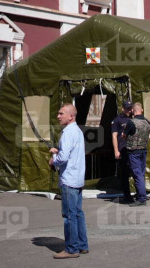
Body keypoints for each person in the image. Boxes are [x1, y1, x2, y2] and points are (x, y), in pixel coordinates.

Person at [49, 104, 88, 259]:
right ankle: (82, 245)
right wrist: (59, 152)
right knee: (78, 213)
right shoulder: (77, 131)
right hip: (77, 178)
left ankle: (72, 249)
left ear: (71, 116)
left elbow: (63, 158)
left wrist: (53, 160)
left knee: (69, 215)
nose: (58, 116)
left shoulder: (67, 133)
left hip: (69, 179)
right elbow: (70, 153)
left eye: (61, 113)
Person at [125, 103, 150, 206]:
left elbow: (124, 135)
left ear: (133, 110)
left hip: (134, 151)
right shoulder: (147, 122)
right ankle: (141, 195)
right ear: (142, 110)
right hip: (144, 150)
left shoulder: (131, 122)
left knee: (137, 174)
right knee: (141, 173)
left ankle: (141, 198)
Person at [111, 100, 133, 203]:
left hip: (133, 149)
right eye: (127, 108)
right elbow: (114, 136)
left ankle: (139, 193)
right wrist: (116, 150)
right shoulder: (117, 120)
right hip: (123, 150)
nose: (129, 110)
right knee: (124, 173)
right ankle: (127, 195)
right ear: (123, 108)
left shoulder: (133, 119)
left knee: (135, 171)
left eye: (130, 108)